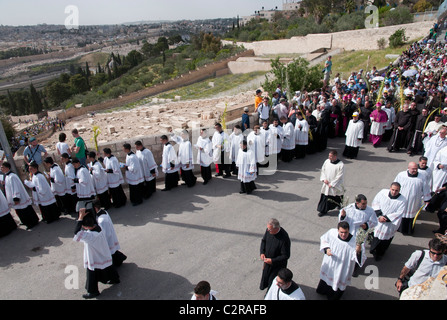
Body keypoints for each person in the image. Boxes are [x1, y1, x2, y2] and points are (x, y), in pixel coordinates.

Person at [73, 209, 120, 299]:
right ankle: (115, 278)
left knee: (91, 273)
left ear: (85, 226)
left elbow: (76, 233)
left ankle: (93, 291)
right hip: (104, 253)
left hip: (95, 257)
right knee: (107, 266)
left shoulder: (89, 236)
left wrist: (80, 218)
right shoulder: (98, 228)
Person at [316, 221, 365, 300]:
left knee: (337, 283)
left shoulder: (354, 242)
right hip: (331, 264)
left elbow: (359, 257)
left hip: (342, 268)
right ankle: (322, 290)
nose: (343, 235)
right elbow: (324, 239)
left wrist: (358, 251)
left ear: (349, 230)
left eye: (346, 232)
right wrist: (326, 249)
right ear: (338, 230)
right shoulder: (332, 232)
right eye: (341, 232)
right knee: (326, 279)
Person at [370, 182, 406, 261]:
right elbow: (376, 202)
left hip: (390, 223)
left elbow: (399, 213)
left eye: (396, 190)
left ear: (399, 190)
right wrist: (379, 216)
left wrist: (385, 218)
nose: (394, 192)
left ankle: (380, 253)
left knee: (385, 239)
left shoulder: (402, 200)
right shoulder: (383, 193)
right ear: (390, 188)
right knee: (375, 235)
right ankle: (373, 248)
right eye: (392, 190)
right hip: (379, 219)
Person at [394, 161, 432, 235]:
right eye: (413, 169)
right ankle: (399, 228)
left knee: (411, 216)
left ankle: (409, 230)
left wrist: (427, 199)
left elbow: (426, 188)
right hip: (403, 199)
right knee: (401, 214)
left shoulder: (422, 177)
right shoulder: (401, 175)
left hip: (414, 201)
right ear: (408, 168)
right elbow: (395, 184)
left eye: (416, 169)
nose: (414, 170)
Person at [1, 162, 39, 230]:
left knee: (24, 210)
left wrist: (16, 198)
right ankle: (24, 221)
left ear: (7, 168)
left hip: (19, 197)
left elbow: (15, 187)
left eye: (2, 167)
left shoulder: (12, 176)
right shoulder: (7, 176)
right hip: (14, 198)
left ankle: (31, 222)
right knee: (19, 211)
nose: (1, 168)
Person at [92, 201, 127, 267]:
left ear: (95, 208)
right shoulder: (103, 211)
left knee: (111, 252)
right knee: (112, 252)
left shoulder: (102, 220)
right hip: (109, 236)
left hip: (108, 239)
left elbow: (106, 233)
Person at [259, 218, 291, 291]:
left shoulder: (284, 238)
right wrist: (262, 253)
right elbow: (263, 241)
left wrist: (272, 261)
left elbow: (286, 256)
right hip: (267, 262)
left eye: (270, 229)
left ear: (276, 229)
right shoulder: (268, 231)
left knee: (272, 282)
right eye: (268, 229)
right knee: (266, 277)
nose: (268, 231)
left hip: (277, 265)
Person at [317, 150, 345, 217]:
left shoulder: (341, 165)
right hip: (327, 183)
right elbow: (323, 170)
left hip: (336, 184)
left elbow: (339, 176)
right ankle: (323, 210)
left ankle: (339, 205)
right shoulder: (327, 161)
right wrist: (324, 179)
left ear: (335, 156)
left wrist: (332, 184)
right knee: (325, 197)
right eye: (329, 156)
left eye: (331, 156)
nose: (329, 157)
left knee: (337, 196)